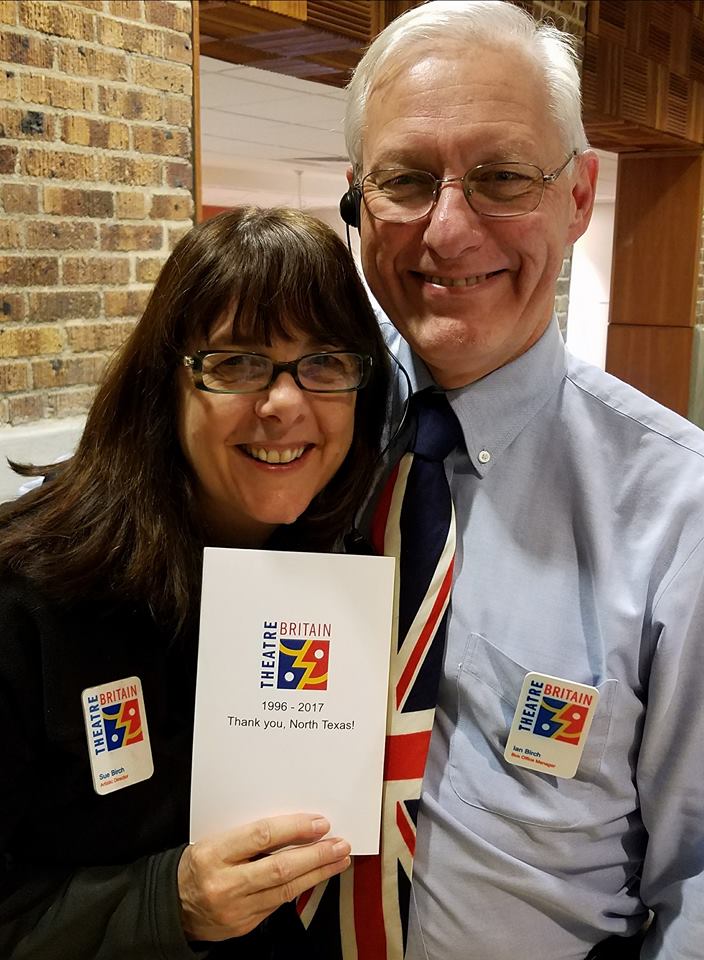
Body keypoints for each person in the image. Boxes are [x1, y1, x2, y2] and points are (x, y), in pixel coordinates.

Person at [334, 1, 704, 958]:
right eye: (405, 180)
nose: (448, 232)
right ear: (358, 201)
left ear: (578, 196)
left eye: (501, 177)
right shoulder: (294, 440)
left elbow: (697, 882)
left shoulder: (681, 514)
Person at [0, 206, 391, 958]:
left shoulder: (350, 576)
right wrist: (168, 904)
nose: (285, 403)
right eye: (237, 363)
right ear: (165, 384)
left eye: (325, 363)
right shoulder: (27, 596)